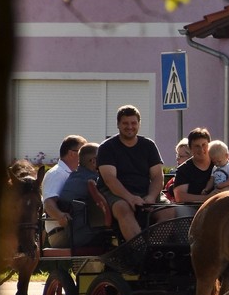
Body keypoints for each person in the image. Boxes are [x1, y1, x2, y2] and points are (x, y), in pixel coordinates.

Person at [97, 105, 166, 241]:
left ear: (139, 124)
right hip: (116, 193)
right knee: (123, 208)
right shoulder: (107, 147)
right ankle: (139, 250)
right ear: (118, 124)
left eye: (133, 123)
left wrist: (151, 197)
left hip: (145, 191)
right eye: (125, 123)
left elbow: (158, 176)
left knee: (168, 211)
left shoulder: (149, 145)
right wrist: (130, 198)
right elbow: (110, 179)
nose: (130, 127)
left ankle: (156, 249)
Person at [52, 143, 106, 248]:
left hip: (73, 233)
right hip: (84, 235)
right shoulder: (94, 180)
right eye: (104, 158)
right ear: (94, 161)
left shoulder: (75, 176)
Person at [42, 134, 87, 247]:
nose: (86, 156)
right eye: (83, 153)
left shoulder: (71, 174)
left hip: (73, 231)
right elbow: (48, 203)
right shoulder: (57, 173)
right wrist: (60, 216)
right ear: (72, 153)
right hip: (61, 233)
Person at [170, 127, 216, 205]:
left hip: (220, 207)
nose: (201, 149)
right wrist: (208, 198)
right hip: (192, 210)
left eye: (204, 145)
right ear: (191, 149)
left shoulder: (219, 163)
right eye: (197, 146)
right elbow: (180, 197)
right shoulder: (184, 170)